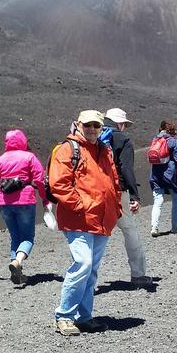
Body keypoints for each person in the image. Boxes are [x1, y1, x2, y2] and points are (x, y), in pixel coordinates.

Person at [49, 110, 122, 336]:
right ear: (78, 124)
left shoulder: (104, 150)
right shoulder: (68, 149)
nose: (92, 129)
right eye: (88, 125)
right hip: (79, 218)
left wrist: (116, 206)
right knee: (83, 263)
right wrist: (82, 206)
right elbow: (58, 184)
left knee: (91, 270)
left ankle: (84, 316)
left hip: (102, 218)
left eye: (96, 126)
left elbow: (113, 180)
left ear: (101, 128)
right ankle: (64, 316)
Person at [0, 129, 47, 285]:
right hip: (25, 201)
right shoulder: (29, 157)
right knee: (27, 238)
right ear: (23, 141)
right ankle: (18, 261)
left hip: (4, 204)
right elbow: (39, 179)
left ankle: (17, 269)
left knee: (15, 237)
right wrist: (46, 199)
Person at [101, 108, 151, 287]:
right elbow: (126, 169)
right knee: (129, 230)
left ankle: (87, 280)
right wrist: (135, 196)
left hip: (94, 192)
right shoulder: (123, 139)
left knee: (96, 234)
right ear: (120, 124)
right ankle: (138, 274)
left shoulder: (91, 135)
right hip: (118, 191)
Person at [149, 120, 177, 236]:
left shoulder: (155, 140)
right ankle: (175, 227)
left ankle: (154, 227)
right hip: (171, 175)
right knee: (176, 199)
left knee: (157, 201)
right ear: (172, 131)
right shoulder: (174, 142)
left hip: (155, 175)